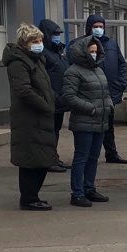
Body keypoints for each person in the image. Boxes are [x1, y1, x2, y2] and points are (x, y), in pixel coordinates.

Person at [2, 25, 59, 209]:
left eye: (40, 41)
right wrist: (45, 105)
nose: (39, 44)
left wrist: (52, 100)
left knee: (42, 159)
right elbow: (23, 90)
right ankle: (28, 199)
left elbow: (44, 86)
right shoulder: (18, 62)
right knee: (30, 160)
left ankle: (33, 196)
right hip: (28, 119)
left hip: (41, 118)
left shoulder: (37, 60)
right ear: (24, 43)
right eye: (34, 41)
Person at [61, 35, 113, 207]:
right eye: (91, 51)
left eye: (96, 52)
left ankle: (89, 188)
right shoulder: (73, 71)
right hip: (84, 121)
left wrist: (109, 105)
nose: (94, 54)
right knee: (81, 157)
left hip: (100, 120)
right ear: (83, 52)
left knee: (93, 157)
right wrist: (90, 108)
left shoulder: (98, 69)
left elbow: (105, 92)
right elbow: (69, 97)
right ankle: (77, 193)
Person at [86, 14, 127, 164]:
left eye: (101, 27)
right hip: (91, 93)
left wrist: (121, 83)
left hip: (111, 91)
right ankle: (90, 154)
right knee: (91, 125)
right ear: (89, 27)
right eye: (95, 26)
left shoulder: (111, 44)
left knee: (109, 125)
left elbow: (121, 63)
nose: (99, 29)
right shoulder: (81, 44)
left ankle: (111, 153)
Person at [38, 18, 69, 172]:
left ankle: (54, 157)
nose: (57, 36)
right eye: (55, 34)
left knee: (55, 131)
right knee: (49, 132)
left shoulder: (58, 52)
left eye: (59, 34)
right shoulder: (44, 53)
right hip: (51, 99)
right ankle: (48, 160)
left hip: (60, 100)